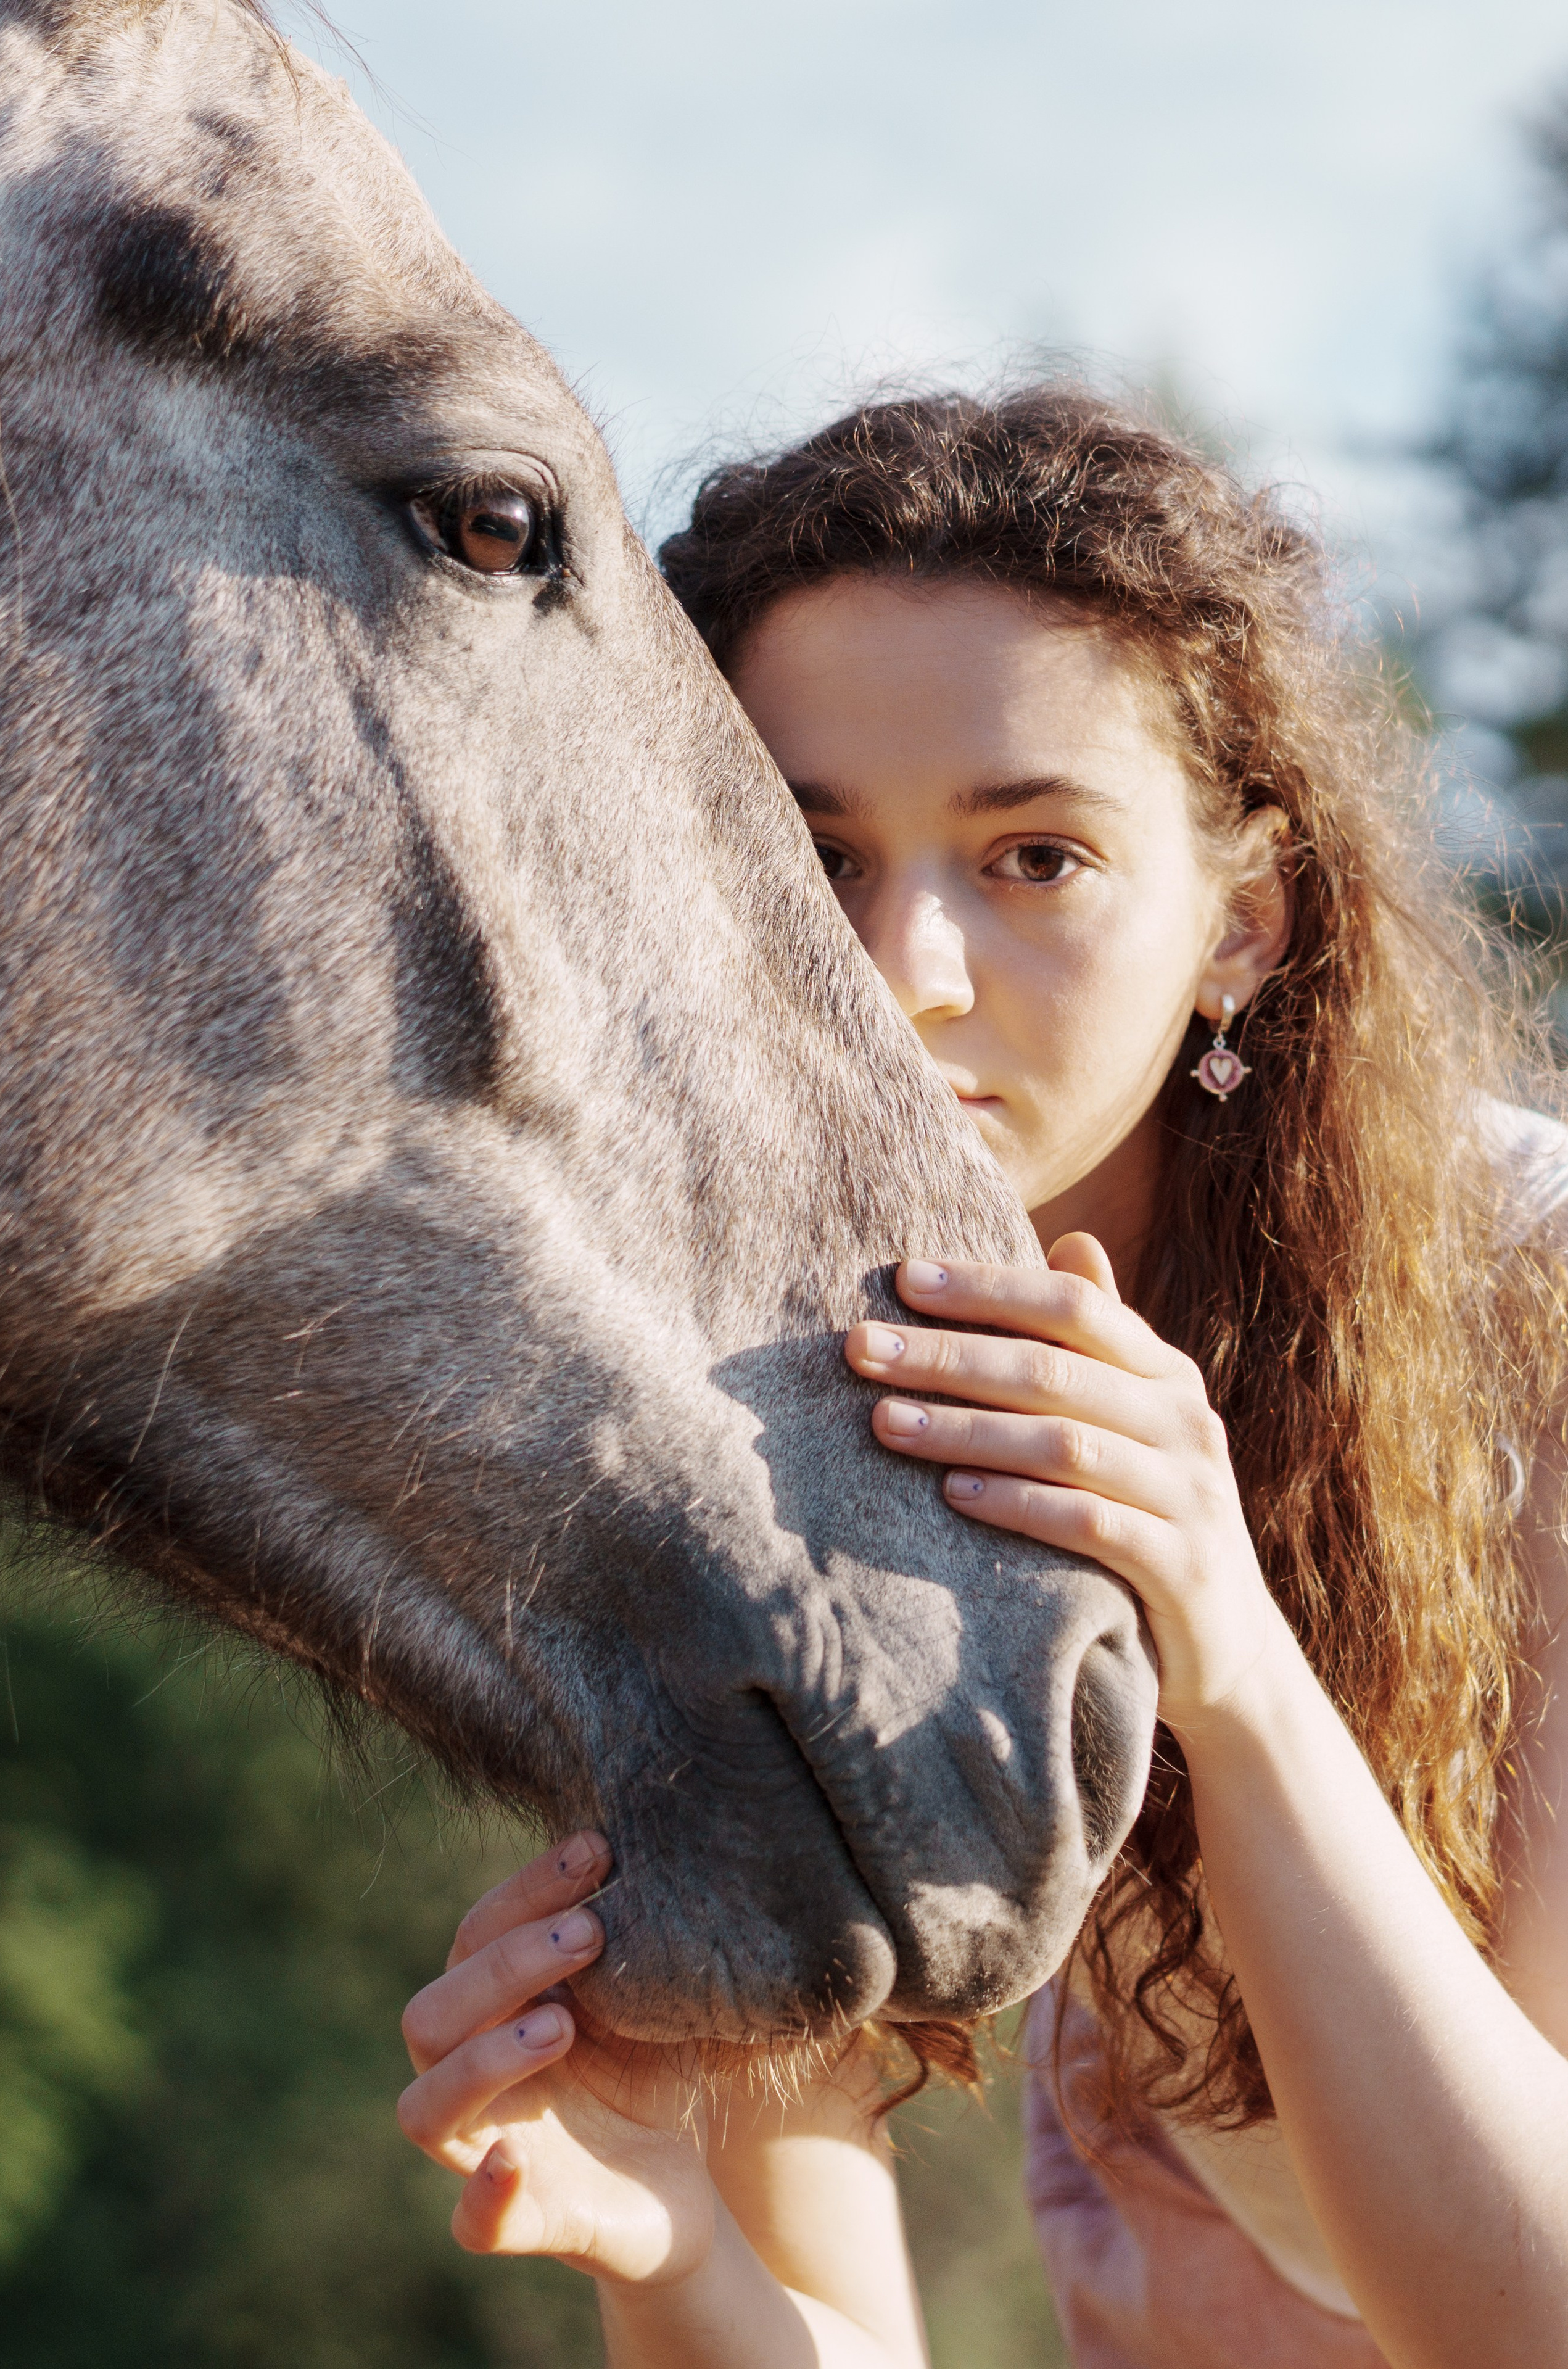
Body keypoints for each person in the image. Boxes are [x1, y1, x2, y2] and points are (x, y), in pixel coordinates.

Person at [392, 386, 1568, 2368]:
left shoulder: (1529, 1318)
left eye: (1033, 854)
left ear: (1246, 926)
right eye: (807, 852)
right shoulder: (761, 1399)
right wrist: (664, 2244)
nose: (896, 969)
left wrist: (1228, 1645)